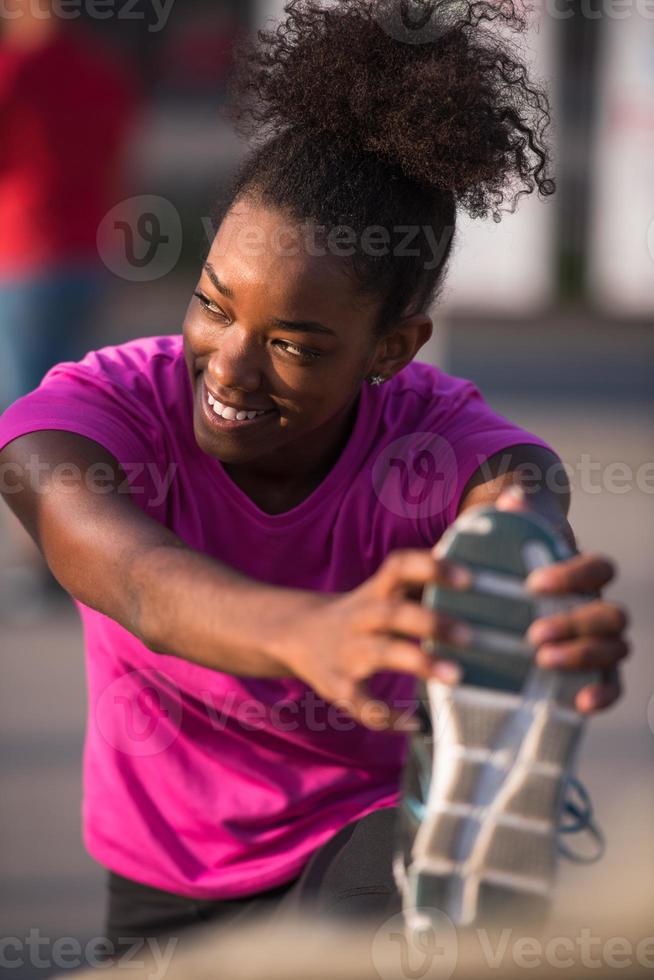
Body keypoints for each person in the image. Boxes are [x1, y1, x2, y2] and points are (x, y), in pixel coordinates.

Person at [0, 0, 629, 959]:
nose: (230, 367)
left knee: (384, 912)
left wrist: (533, 600)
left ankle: (447, 871)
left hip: (361, 845)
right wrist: (307, 632)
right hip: (162, 880)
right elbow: (130, 576)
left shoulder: (434, 439)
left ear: (392, 348)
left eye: (295, 344)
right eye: (213, 305)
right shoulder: (98, 413)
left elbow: (516, 488)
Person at [0, 0, 136, 608]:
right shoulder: (102, 71)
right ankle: (77, 555)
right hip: (89, 252)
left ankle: (46, 562)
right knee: (74, 413)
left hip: (26, 251)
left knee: (25, 423)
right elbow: (119, 157)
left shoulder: (15, 70)